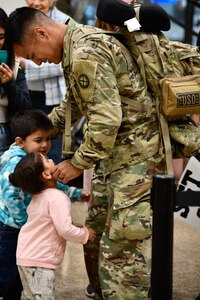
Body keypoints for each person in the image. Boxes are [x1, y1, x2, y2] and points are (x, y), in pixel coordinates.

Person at [5, 7, 167, 300]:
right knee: (96, 237)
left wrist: (77, 164)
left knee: (122, 248)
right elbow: (73, 107)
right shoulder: (75, 49)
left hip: (134, 160)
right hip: (112, 158)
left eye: (33, 54)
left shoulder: (84, 53)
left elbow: (106, 119)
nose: (38, 63)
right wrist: (37, 134)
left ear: (41, 33)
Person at [0, 108, 90, 300]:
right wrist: (25, 222)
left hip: (23, 227)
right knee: (7, 274)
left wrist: (76, 194)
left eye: (48, 139)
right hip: (11, 227)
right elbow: (11, 196)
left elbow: (51, 185)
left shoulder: (35, 160)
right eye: (38, 140)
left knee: (19, 276)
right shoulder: (16, 163)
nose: (45, 146)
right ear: (20, 142)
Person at [9, 152, 96, 300]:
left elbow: (47, 222)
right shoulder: (57, 197)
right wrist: (85, 234)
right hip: (39, 262)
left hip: (25, 257)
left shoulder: (38, 197)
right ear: (47, 174)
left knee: (30, 297)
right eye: (47, 160)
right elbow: (64, 230)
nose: (51, 159)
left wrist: (72, 224)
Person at [22, 0, 70, 163]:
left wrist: (25, 64)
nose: (36, 2)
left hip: (51, 100)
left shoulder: (64, 22)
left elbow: (61, 64)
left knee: (51, 149)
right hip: (26, 96)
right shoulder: (20, 20)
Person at [0, 8, 31, 156]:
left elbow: (25, 108)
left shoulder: (15, 64)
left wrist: (9, 84)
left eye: (0, 37)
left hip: (4, 131)